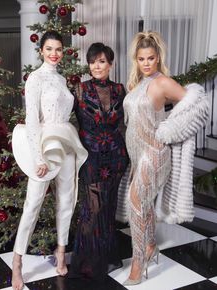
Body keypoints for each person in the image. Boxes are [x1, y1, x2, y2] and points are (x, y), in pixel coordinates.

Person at [123, 31, 209, 285]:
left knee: (135, 203)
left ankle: (138, 263)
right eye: (141, 59)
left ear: (158, 57)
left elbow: (198, 103)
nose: (146, 63)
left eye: (150, 58)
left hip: (155, 153)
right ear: (136, 60)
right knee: (144, 204)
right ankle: (149, 246)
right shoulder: (138, 83)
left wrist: (169, 130)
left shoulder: (163, 82)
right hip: (137, 155)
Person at [11, 30, 88, 290]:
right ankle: (17, 262)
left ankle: (60, 252)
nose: (54, 53)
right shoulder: (35, 78)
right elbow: (32, 119)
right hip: (45, 145)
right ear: (41, 50)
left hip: (65, 141)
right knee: (32, 204)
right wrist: (38, 157)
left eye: (58, 49)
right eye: (49, 49)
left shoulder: (63, 79)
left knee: (66, 200)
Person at [68, 42, 129, 280]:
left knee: (108, 209)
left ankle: (105, 258)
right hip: (90, 158)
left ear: (110, 64)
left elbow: (131, 120)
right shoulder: (79, 90)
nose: (97, 66)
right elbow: (62, 118)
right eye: (93, 62)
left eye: (102, 61)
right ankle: (86, 262)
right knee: (92, 210)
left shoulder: (120, 90)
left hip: (115, 157)